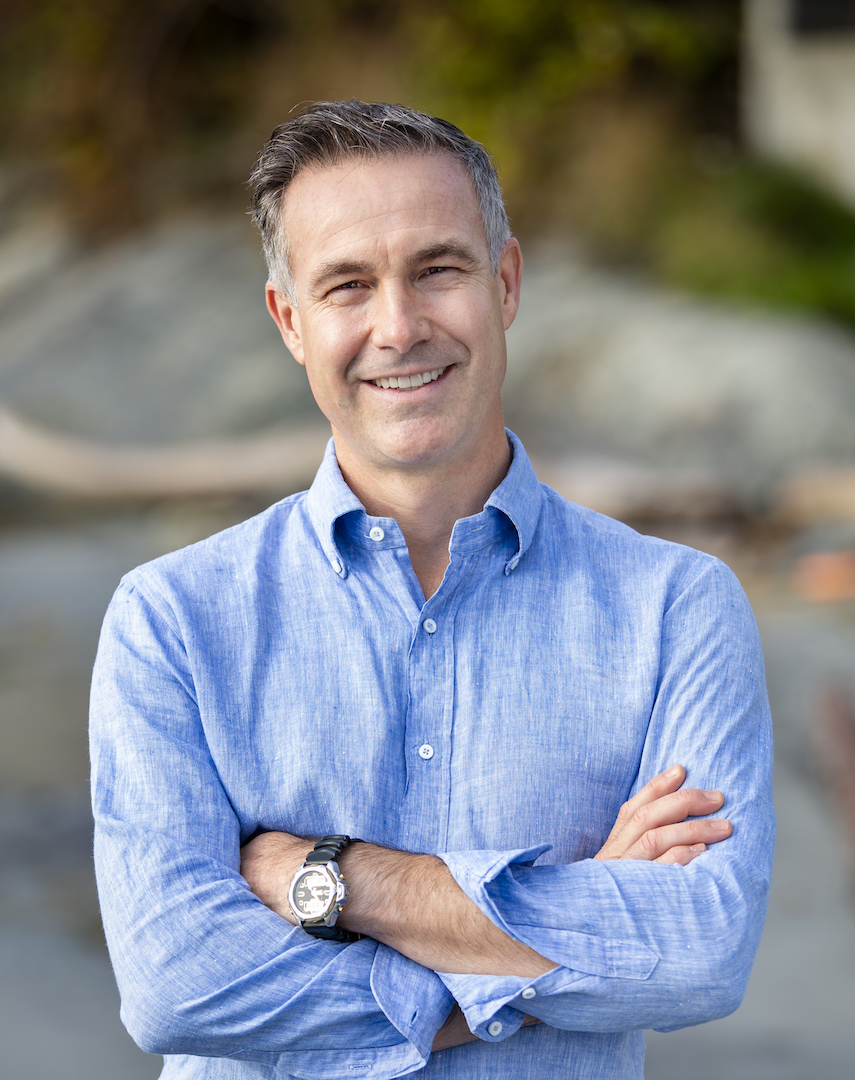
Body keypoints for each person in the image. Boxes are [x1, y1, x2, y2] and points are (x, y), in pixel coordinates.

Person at [90, 100, 775, 1080]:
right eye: (347, 286)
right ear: (290, 320)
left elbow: (699, 953)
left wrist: (337, 879)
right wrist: (570, 936)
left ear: (505, 283)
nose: (399, 327)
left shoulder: (677, 609)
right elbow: (175, 986)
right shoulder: (170, 622)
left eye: (437, 270)